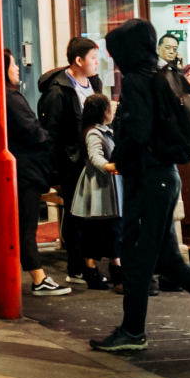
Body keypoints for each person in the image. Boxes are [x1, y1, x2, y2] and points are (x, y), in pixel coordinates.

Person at [92, 18, 190, 353]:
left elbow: (137, 132)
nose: (113, 58)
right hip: (165, 175)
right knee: (166, 259)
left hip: (148, 178)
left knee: (136, 257)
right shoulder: (162, 76)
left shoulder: (137, 80)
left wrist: (119, 160)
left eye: (115, 51)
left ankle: (133, 332)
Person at [0, 50, 69, 296]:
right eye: (13, 65)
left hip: (1, 170)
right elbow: (32, 131)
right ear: (2, 69)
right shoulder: (7, 97)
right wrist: (49, 137)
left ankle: (2, 273)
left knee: (2, 223)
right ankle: (39, 278)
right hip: (23, 170)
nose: (17, 69)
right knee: (25, 226)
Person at [37, 36, 103, 281]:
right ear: (78, 60)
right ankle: (76, 266)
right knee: (76, 216)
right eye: (93, 58)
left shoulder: (94, 83)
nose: (98, 63)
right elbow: (51, 134)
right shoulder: (59, 90)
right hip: (72, 162)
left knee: (92, 215)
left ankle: (90, 262)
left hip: (93, 160)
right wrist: (53, 173)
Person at [69, 93, 122, 290]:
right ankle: (95, 270)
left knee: (111, 227)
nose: (113, 110)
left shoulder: (105, 130)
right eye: (110, 107)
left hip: (108, 185)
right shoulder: (93, 133)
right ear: (103, 112)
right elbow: (95, 156)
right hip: (98, 186)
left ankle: (110, 268)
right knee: (98, 229)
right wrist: (110, 166)